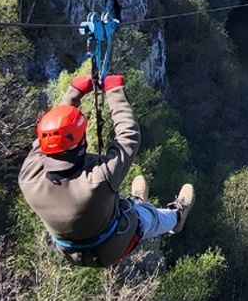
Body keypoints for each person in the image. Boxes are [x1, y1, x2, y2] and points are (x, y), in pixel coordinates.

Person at [19, 72, 194, 267]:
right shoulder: (98, 179)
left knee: (113, 205)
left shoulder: (29, 176)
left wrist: (74, 93)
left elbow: (53, 134)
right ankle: (177, 217)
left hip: (71, 251)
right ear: (82, 144)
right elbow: (129, 135)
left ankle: (136, 202)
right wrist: (114, 91)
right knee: (148, 218)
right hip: (112, 245)